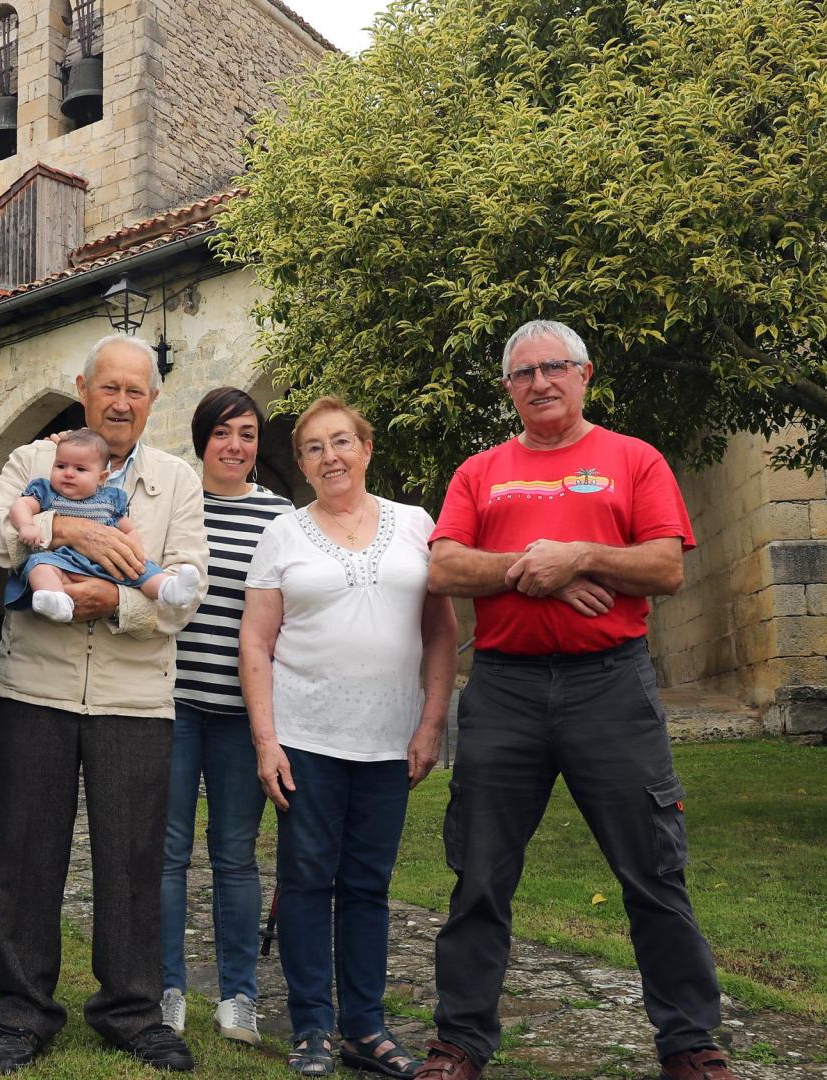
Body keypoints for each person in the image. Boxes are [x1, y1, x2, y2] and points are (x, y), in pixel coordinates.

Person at [413, 320, 733, 1080]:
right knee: (480, 876)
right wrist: (538, 567)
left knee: (653, 874)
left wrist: (582, 557)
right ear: (508, 390)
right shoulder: (480, 471)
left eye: (555, 367)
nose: (540, 382)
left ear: (585, 375)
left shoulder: (634, 459)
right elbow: (446, 569)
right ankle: (459, 1043)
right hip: (503, 690)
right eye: (523, 374)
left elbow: (664, 566)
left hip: (609, 686)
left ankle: (691, 1044)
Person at [0, 334, 208, 1074]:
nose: (122, 402)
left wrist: (119, 601)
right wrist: (65, 528)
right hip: (35, 687)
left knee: (134, 859)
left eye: (137, 391)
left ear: (153, 400)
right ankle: (24, 1011)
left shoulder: (176, 480)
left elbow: (190, 585)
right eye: (110, 388)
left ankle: (131, 1011)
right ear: (83, 386)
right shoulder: (36, 461)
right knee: (28, 850)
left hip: (135, 699)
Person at [239, 396, 458, 1079]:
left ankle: (364, 1028)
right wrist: (266, 741)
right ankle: (311, 1028)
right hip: (305, 736)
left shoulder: (416, 525)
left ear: (365, 448)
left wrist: (430, 721)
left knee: (367, 884)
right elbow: (256, 638)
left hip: (388, 741)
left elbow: (441, 631)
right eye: (312, 447)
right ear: (301, 464)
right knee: (305, 881)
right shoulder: (285, 533)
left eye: (341, 442)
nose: (329, 456)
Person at [158, 387, 292, 1048]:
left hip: (244, 717)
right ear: (200, 438)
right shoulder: (176, 505)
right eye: (221, 433)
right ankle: (167, 988)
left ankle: (238, 995)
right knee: (169, 851)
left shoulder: (280, 515)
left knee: (236, 855)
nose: (234, 445)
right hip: (173, 704)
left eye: (245, 433)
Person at [5, 427, 201, 621]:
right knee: (38, 566)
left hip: (109, 563)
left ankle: (169, 589)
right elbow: (20, 505)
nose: (68, 473)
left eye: (80, 469)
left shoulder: (109, 500)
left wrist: (136, 552)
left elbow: (128, 527)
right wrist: (27, 526)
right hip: (63, 560)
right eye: (61, 466)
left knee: (143, 572)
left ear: (101, 478)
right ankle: (55, 599)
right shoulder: (47, 492)